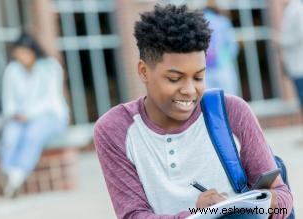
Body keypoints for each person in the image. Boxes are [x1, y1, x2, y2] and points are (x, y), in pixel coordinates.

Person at [94, 4, 293, 218]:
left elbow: (284, 199)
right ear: (144, 71)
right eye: (174, 79)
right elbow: (133, 215)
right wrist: (197, 215)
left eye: (198, 77)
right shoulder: (116, 129)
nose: (190, 90)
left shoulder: (232, 111)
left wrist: (254, 205)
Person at [1, 32, 69, 198]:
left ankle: (17, 175)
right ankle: (9, 173)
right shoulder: (12, 70)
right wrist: (16, 114)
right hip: (20, 118)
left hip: (50, 116)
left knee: (33, 133)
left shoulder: (50, 66)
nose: (21, 58)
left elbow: (51, 99)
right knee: (11, 134)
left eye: (23, 53)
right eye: (17, 55)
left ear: (32, 50)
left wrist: (28, 115)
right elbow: (8, 101)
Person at [203, 0, 239, 95]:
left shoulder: (199, 22)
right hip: (223, 67)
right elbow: (233, 47)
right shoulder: (223, 22)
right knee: (229, 100)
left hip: (205, 70)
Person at [279, 0, 303, 131]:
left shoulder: (297, 10)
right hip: (296, 66)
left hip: (300, 66)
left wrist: (282, 41)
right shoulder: (290, 9)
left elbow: (301, 35)